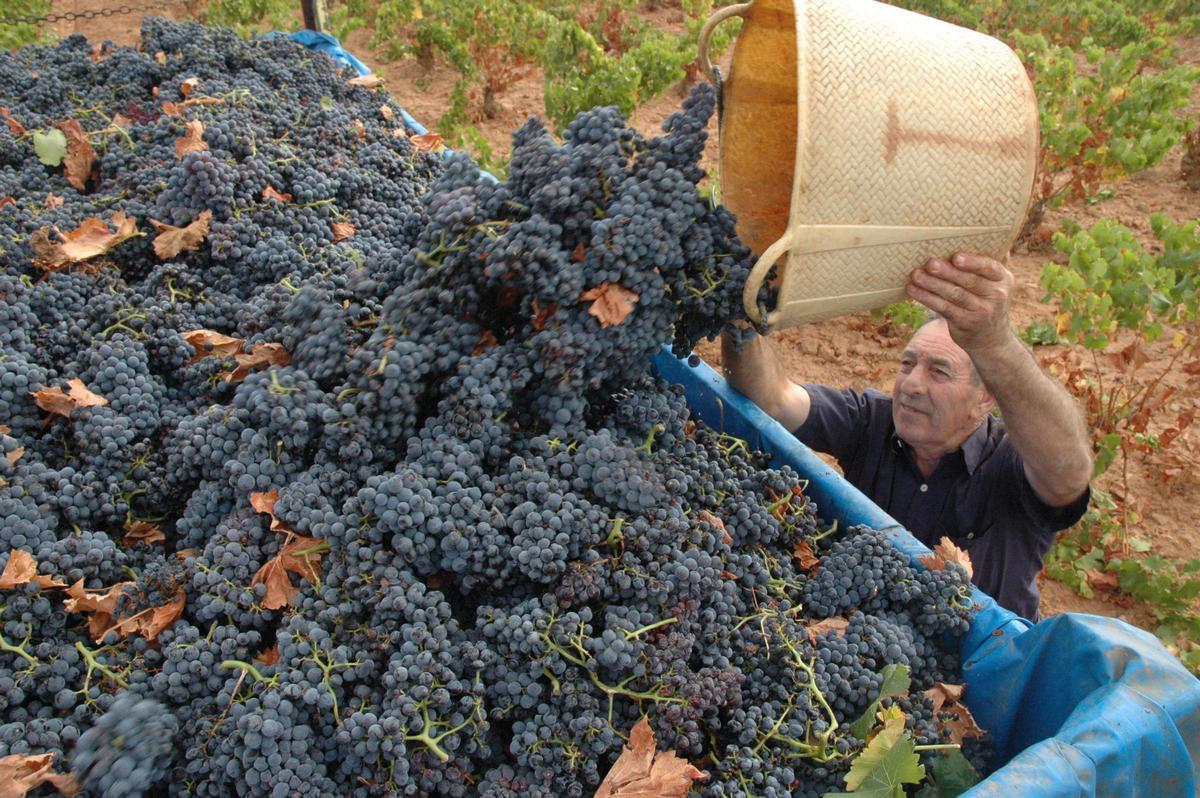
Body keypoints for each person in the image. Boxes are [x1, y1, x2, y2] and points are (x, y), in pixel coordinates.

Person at [721, 253, 1093, 620]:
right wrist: (740, 311)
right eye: (908, 364)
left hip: (983, 663)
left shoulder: (1014, 465)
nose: (912, 384)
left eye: (939, 372)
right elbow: (775, 399)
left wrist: (995, 344)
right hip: (864, 641)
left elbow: (1068, 471)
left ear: (985, 397)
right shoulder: (872, 420)